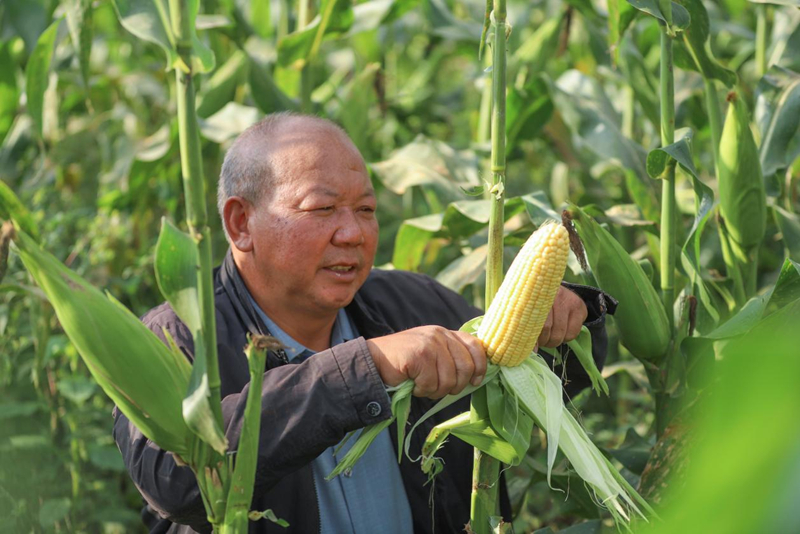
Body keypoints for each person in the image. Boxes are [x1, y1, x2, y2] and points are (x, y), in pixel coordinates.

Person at [113, 113, 616, 534]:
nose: (353, 233)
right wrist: (367, 366)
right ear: (241, 223)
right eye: (323, 208)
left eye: (366, 209)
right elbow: (173, 478)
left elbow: (545, 386)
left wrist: (565, 320)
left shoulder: (415, 304)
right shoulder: (175, 341)